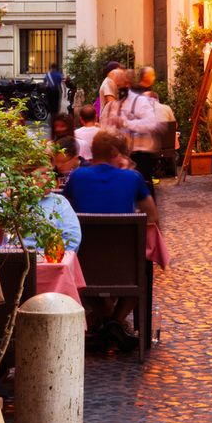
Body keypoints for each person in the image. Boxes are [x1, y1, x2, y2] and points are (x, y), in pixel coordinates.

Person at [63, 129, 161, 348]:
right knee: (143, 272)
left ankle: (106, 320)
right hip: (126, 268)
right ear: (116, 152)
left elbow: (65, 210)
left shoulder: (77, 176)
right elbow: (152, 216)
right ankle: (115, 321)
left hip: (85, 267)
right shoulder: (132, 178)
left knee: (77, 265)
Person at [112, 68, 172, 188]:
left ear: (128, 84)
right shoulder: (117, 105)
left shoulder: (140, 101)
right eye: (115, 85)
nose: (117, 88)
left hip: (141, 153)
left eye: (120, 85)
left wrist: (126, 123)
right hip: (124, 154)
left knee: (145, 191)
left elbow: (151, 124)